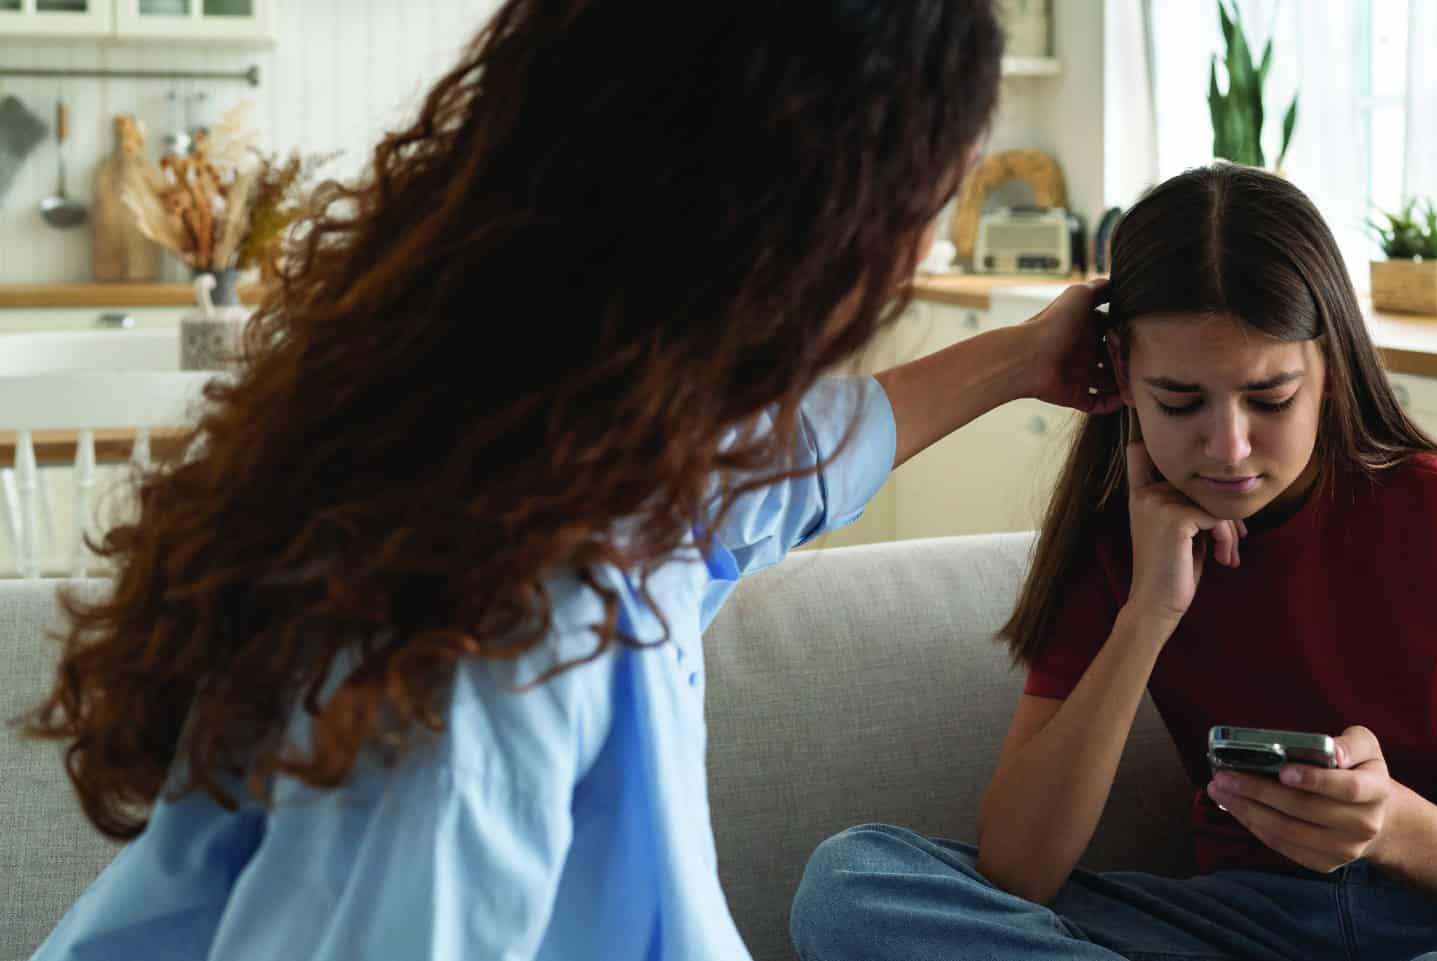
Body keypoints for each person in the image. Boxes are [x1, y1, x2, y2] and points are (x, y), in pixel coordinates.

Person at [19, 2, 1120, 958]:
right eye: (928, 199)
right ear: (811, 221)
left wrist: (1022, 357)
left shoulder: (537, 432)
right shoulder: (499, 638)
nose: (923, 247)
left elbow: (772, 476)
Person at [790, 164, 1437, 960]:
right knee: (853, 885)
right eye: (1180, 402)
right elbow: (1015, 869)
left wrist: (1384, 821)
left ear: (1329, 368)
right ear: (1121, 375)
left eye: (1269, 397)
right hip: (1241, 926)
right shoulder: (1118, 536)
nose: (1227, 445)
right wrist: (1148, 616)